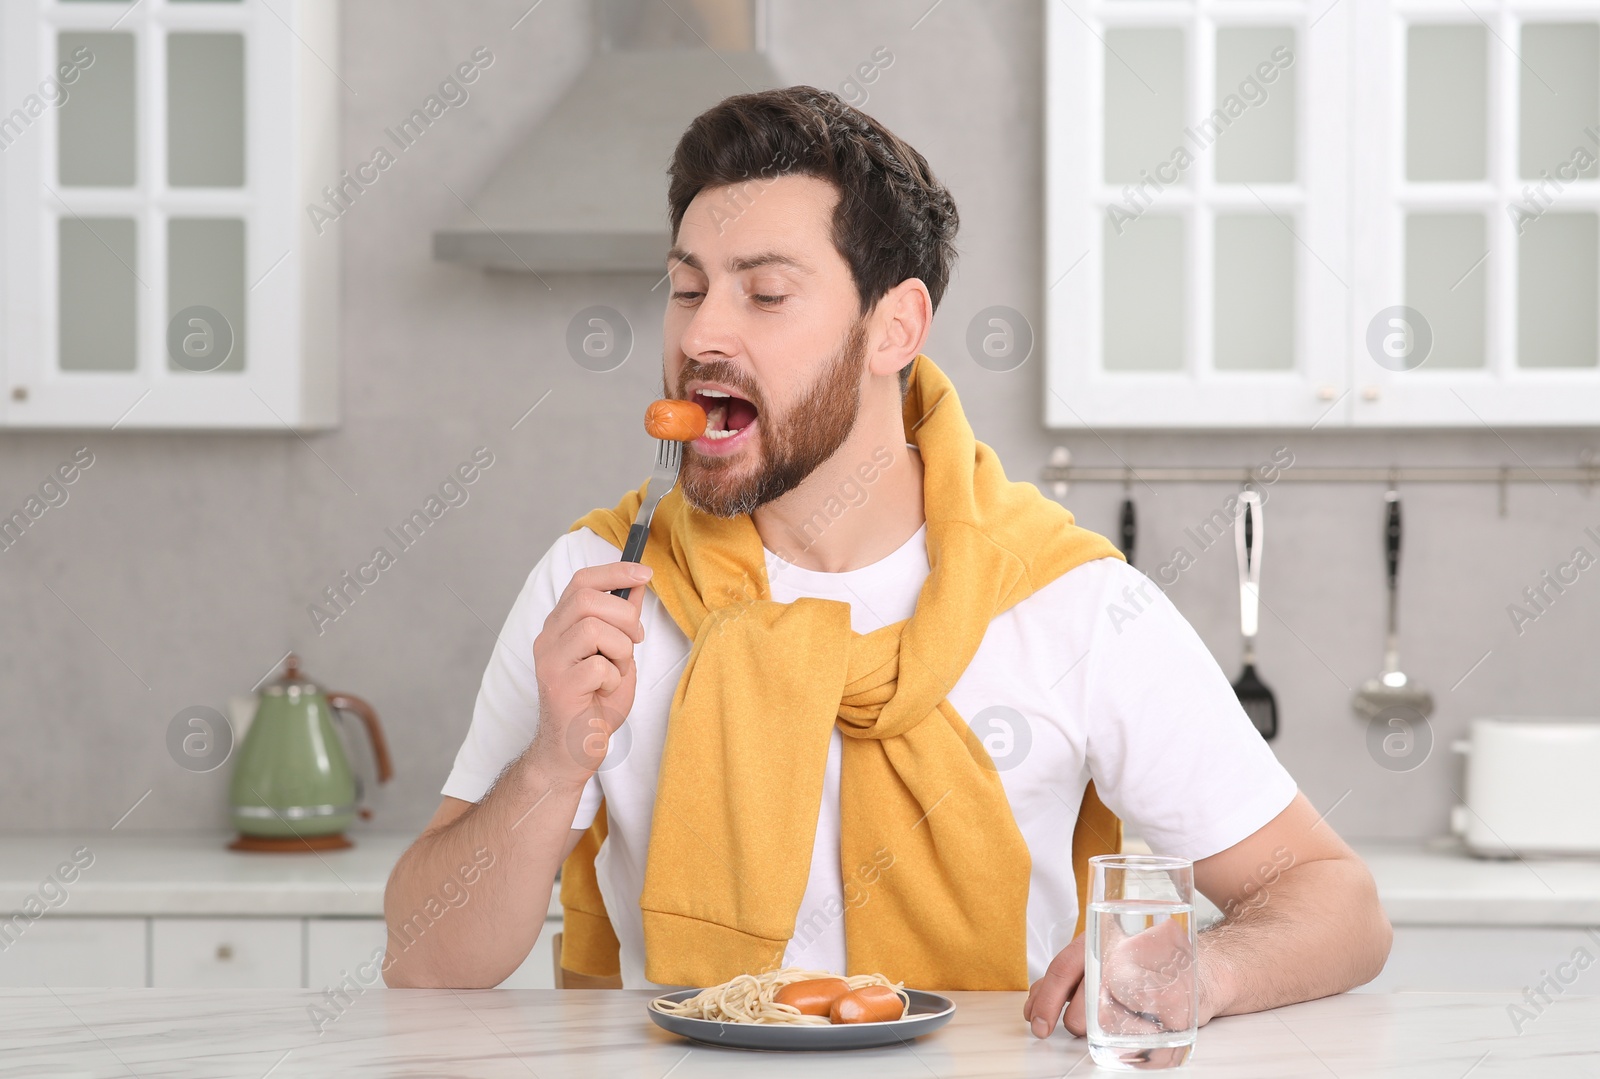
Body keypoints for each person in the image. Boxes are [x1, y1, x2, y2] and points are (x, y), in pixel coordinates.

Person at [382, 86, 1391, 1038]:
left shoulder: (1072, 601)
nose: (702, 334)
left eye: (764, 293)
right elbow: (428, 960)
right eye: (686, 288)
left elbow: (1333, 899)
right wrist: (554, 762)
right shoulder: (598, 584)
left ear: (893, 326)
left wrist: (1200, 971)